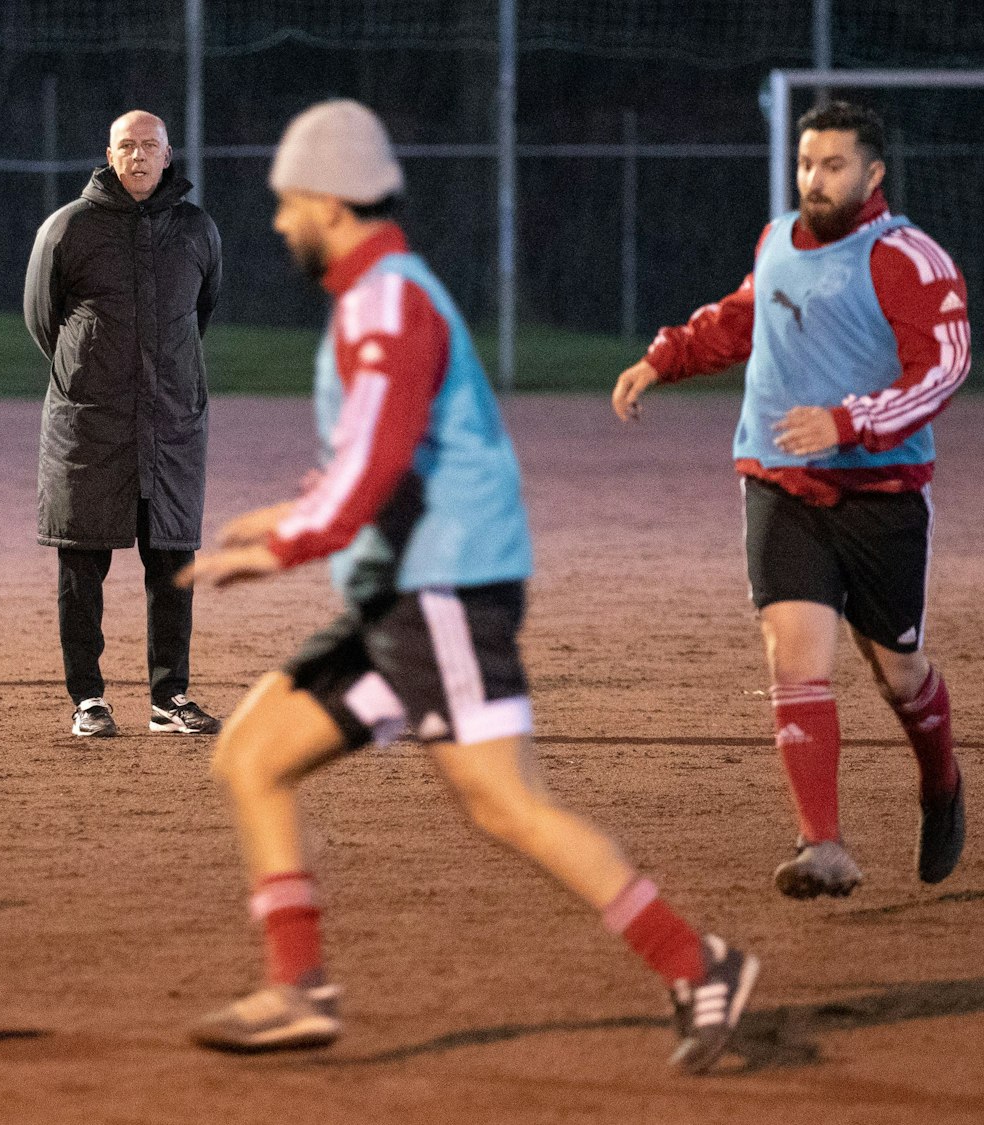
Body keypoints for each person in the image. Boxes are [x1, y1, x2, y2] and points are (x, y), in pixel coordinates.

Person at [181, 100, 755, 1073]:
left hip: (441, 591)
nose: (277, 223)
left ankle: (696, 963)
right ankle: (299, 988)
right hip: (398, 595)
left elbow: (376, 463)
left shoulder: (387, 301)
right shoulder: (375, 296)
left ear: (325, 199)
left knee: (504, 804)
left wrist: (283, 546)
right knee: (249, 759)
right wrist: (293, 515)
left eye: (285, 204)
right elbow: (374, 451)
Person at [614, 101, 969, 899]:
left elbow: (942, 371)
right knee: (794, 654)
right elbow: (742, 318)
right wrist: (662, 359)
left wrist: (850, 421)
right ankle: (823, 844)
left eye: (833, 165)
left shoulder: (909, 257)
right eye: (807, 164)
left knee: (901, 674)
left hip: (880, 494)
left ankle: (941, 784)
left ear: (873, 175)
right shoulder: (777, 239)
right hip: (778, 481)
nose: (814, 179)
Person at [23, 110, 223, 739]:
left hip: (169, 427)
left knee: (173, 562)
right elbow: (43, 320)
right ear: (108, 155)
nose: (139, 157)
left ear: (169, 156)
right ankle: (88, 699)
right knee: (82, 565)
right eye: (127, 147)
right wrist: (94, 377)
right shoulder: (68, 229)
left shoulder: (197, 230)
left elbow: (201, 311)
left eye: (150, 147)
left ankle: (171, 697)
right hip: (91, 427)